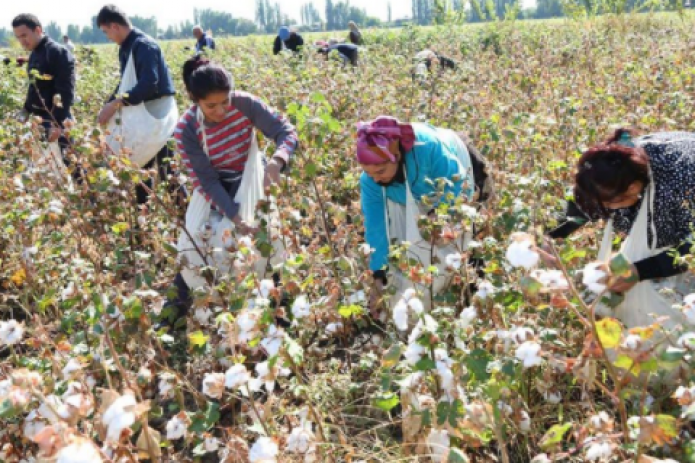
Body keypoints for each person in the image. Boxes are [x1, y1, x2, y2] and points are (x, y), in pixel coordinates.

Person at [163, 55, 298, 325]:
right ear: (195, 100)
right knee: (196, 247)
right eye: (211, 106)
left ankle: (285, 313)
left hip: (251, 179)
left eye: (225, 101)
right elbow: (207, 180)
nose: (221, 110)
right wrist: (236, 217)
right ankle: (170, 316)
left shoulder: (245, 104)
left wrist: (276, 161)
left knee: (268, 241)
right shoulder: (186, 129)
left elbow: (286, 131)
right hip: (215, 188)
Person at [542, 129, 695, 328]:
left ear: (632, 189)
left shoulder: (682, 182)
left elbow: (691, 251)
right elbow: (584, 205)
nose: (601, 210)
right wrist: (548, 236)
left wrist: (641, 270)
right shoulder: (612, 169)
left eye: (607, 203)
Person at [357, 117, 492, 316]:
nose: (375, 178)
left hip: (465, 171)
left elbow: (460, 191)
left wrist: (440, 221)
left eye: (380, 171)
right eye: (369, 173)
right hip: (420, 194)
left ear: (396, 155)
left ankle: (472, 304)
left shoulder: (429, 149)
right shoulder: (371, 183)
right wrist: (378, 277)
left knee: (470, 246)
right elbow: (377, 228)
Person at [96, 4, 178, 206]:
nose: (108, 37)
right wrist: (107, 105)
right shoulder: (127, 48)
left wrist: (116, 103)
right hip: (143, 117)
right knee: (142, 171)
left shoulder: (143, 46)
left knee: (167, 173)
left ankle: (190, 223)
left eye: (107, 32)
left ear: (115, 26)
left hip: (157, 117)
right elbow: (126, 83)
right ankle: (144, 226)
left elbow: (149, 84)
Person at [12, 14, 75, 169]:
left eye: (24, 35)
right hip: (41, 122)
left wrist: (57, 123)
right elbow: (34, 89)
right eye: (18, 37)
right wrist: (25, 111)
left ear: (38, 30)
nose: (22, 41)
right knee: (43, 171)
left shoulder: (56, 52)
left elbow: (65, 92)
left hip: (57, 121)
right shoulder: (34, 54)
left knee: (73, 167)